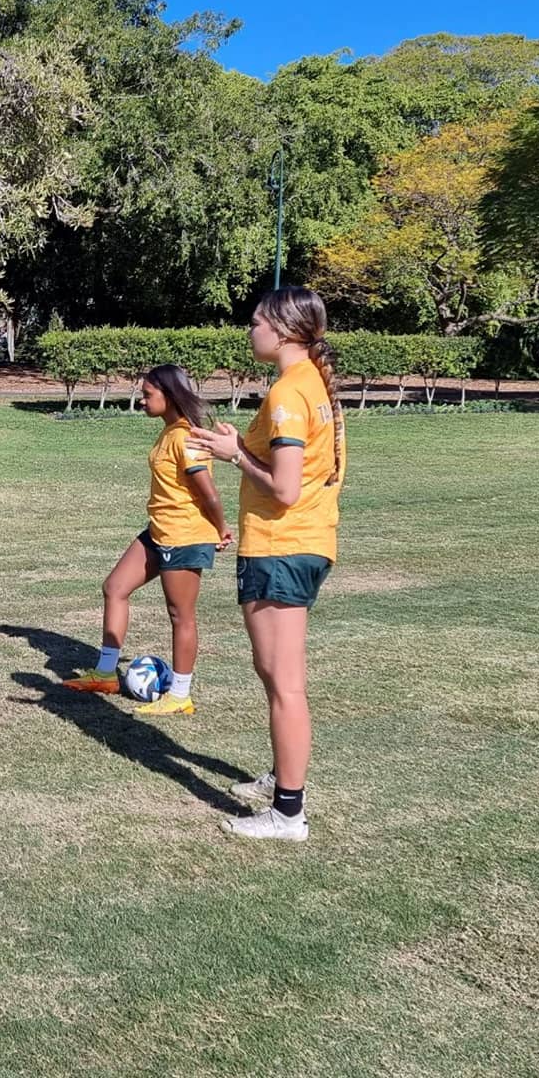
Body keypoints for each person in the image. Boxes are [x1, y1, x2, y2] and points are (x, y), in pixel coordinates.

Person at [187, 287, 346, 842]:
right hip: (298, 542)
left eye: (255, 321)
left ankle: (287, 813)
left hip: (283, 544)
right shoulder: (307, 384)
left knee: (285, 684)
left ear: (281, 330)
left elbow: (282, 488)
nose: (249, 329)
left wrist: (233, 457)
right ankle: (283, 777)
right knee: (273, 674)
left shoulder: (287, 391)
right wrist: (239, 448)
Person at [64, 365, 233, 715]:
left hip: (184, 536)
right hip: (159, 530)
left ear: (169, 396)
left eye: (148, 395)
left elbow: (209, 493)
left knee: (180, 614)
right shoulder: (169, 432)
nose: (142, 400)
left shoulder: (187, 436)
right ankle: (107, 674)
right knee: (115, 587)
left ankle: (180, 694)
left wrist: (221, 529)